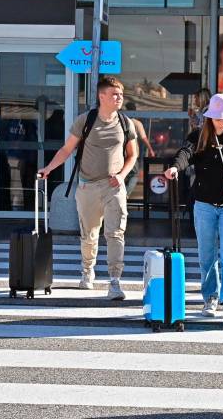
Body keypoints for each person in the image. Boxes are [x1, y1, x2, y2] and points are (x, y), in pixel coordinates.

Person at [38, 77, 138, 301]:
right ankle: (87, 270)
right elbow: (66, 149)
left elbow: (133, 155)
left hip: (114, 187)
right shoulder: (86, 120)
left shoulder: (125, 123)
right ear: (101, 96)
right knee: (90, 234)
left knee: (115, 233)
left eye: (121, 94)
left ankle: (115, 281)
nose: (119, 97)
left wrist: (121, 176)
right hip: (87, 186)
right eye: (114, 94)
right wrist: (49, 168)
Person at [164, 93, 223, 326]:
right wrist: (175, 168)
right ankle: (210, 297)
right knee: (207, 254)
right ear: (209, 118)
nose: (222, 122)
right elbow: (184, 154)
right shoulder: (198, 136)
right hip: (204, 205)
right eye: (218, 118)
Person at [124, 102, 156, 197]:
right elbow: (144, 138)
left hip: (119, 153)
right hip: (131, 153)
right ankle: (124, 194)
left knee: (124, 174)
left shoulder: (121, 120)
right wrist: (151, 149)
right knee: (134, 174)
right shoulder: (136, 123)